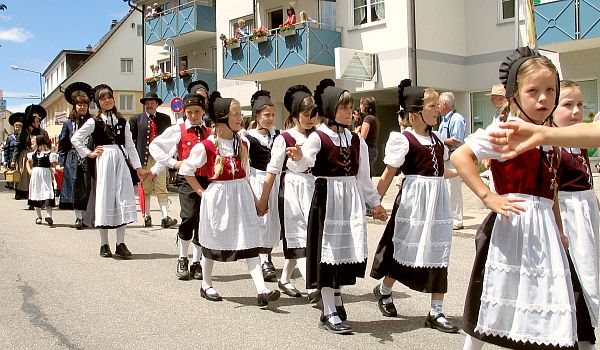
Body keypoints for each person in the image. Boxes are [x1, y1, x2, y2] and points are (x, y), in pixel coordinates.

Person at [451, 46, 577, 350]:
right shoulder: (505, 130)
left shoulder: (550, 136)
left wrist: (559, 227)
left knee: (545, 295)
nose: (543, 98)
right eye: (533, 91)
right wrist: (488, 196)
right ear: (514, 94)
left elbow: (552, 190)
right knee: (493, 293)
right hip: (512, 225)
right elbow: (460, 155)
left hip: (544, 227)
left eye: (550, 90)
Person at [285, 79, 387, 334]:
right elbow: (302, 163)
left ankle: (336, 300)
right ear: (331, 110)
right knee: (328, 254)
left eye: (351, 108)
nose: (349, 113)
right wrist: (298, 157)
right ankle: (329, 308)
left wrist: (375, 204)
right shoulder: (318, 137)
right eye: (343, 108)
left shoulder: (356, 140)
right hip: (327, 199)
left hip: (349, 200)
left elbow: (363, 176)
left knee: (342, 254)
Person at [370, 79, 459, 333]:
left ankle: (436, 312)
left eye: (438, 105)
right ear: (415, 113)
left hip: (437, 203)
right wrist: (375, 203)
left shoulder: (439, 140)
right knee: (406, 251)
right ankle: (385, 290)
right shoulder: (404, 139)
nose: (438, 109)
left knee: (438, 253)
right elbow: (388, 174)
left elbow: (440, 173)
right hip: (413, 203)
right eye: (432, 105)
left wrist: (469, 173)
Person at [179, 91, 281, 306]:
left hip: (241, 195)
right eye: (235, 114)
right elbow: (186, 170)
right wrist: (201, 192)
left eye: (239, 114)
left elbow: (245, 175)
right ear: (223, 117)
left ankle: (261, 289)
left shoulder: (242, 144)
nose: (240, 118)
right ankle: (206, 283)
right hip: (218, 196)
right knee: (212, 240)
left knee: (250, 239)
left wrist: (256, 201)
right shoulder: (206, 146)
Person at [256, 85, 320, 302]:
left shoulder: (318, 136)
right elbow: (273, 169)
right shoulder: (285, 138)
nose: (310, 119)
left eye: (313, 114)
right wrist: (264, 199)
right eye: (305, 115)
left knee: (308, 235)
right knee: (298, 235)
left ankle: (284, 279)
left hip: (314, 187)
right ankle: (312, 284)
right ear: (295, 115)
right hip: (292, 189)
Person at [71, 84, 148, 259]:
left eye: (109, 97)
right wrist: (89, 153)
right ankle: (104, 244)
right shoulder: (94, 121)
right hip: (104, 161)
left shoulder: (123, 122)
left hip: (120, 160)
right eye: (103, 99)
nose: (107, 101)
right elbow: (76, 139)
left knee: (122, 199)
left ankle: (120, 243)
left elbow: (130, 145)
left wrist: (138, 167)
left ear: (114, 99)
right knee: (105, 199)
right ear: (98, 102)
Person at [553, 80, 598, 350]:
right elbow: (553, 190)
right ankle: (582, 341)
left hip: (586, 216)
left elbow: (586, 183)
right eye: (567, 105)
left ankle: (585, 339)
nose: (576, 111)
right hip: (568, 218)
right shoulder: (551, 146)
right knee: (574, 281)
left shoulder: (579, 140)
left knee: (590, 277)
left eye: (580, 105)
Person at [149, 93, 212, 280]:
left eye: (197, 112)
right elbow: (155, 146)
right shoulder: (179, 129)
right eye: (190, 112)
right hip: (186, 179)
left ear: (203, 112)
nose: (194, 115)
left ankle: (197, 261)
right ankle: (182, 257)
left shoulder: (209, 132)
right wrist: (173, 163)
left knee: (203, 220)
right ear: (185, 112)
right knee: (188, 217)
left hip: (207, 180)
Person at [245, 90, 280, 282]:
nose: (270, 118)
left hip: (273, 182)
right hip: (257, 180)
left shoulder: (278, 135)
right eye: (266, 115)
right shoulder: (248, 138)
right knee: (261, 220)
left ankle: (268, 256)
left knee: (272, 220)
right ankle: (263, 259)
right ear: (257, 116)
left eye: (273, 115)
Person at [129, 92, 177, 228]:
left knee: (161, 186)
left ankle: (165, 216)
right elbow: (131, 141)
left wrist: (168, 158)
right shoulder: (136, 119)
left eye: (152, 103)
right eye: (147, 103)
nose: (149, 105)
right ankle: (147, 216)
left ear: (157, 104)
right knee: (146, 188)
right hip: (143, 159)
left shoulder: (165, 118)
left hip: (159, 159)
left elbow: (169, 140)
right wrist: (132, 159)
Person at [57, 82, 95, 229]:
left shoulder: (92, 122)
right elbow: (63, 144)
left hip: (89, 158)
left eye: (85, 105)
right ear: (74, 106)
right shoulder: (68, 124)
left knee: (87, 187)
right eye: (79, 105)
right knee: (75, 188)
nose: (82, 107)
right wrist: (62, 162)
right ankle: (78, 217)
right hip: (73, 159)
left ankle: (87, 217)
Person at [438, 92, 466, 230]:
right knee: (446, 189)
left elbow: (457, 139)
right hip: (445, 157)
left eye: (438, 104)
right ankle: (449, 217)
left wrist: (438, 139)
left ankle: (457, 220)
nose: (437, 107)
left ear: (444, 104)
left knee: (453, 189)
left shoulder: (456, 119)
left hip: (454, 157)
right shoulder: (444, 120)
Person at [13, 105, 50, 201]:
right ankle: (25, 194)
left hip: (38, 155)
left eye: (39, 121)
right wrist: (14, 160)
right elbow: (18, 146)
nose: (39, 123)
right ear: (32, 122)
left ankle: (37, 197)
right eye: (37, 121)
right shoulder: (24, 132)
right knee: (25, 177)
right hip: (25, 156)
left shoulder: (41, 132)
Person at [26, 135, 58, 226]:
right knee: (37, 194)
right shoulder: (32, 154)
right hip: (36, 177)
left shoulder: (49, 154)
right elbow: (27, 162)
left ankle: (49, 216)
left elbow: (54, 164)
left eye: (33, 144)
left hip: (46, 176)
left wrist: (58, 169)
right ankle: (39, 216)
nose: (31, 146)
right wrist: (29, 170)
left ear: (39, 143)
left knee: (48, 193)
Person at [359, 96, 380, 176]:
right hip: (373, 149)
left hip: (367, 150)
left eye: (361, 104)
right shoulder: (374, 118)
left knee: (365, 175)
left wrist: (356, 133)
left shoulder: (368, 119)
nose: (360, 107)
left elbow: (362, 137)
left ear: (366, 107)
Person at [4, 112, 24, 189]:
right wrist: (5, 160)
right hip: (11, 156)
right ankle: (12, 185)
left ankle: (20, 186)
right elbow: (6, 149)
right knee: (12, 172)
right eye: (16, 126)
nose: (17, 128)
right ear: (14, 127)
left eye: (19, 126)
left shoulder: (24, 136)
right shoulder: (10, 138)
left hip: (21, 155)